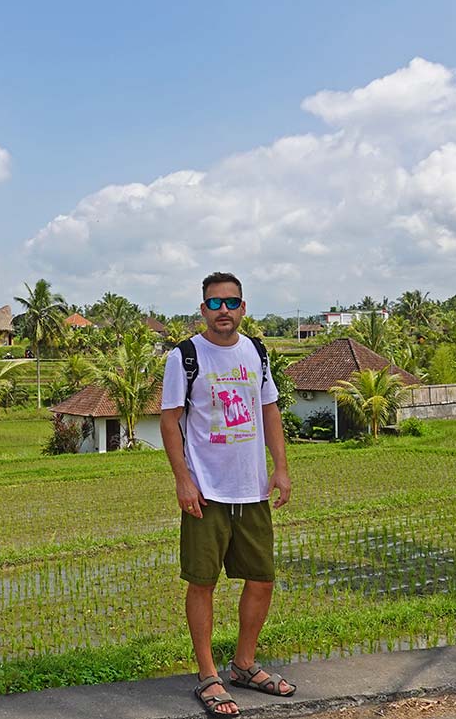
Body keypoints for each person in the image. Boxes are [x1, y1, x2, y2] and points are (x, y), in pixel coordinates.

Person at [160, 271, 293, 716]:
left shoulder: (256, 351)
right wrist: (183, 479)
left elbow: (269, 408)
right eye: (214, 304)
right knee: (203, 582)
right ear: (203, 309)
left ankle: (244, 664)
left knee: (262, 578)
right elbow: (169, 420)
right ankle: (208, 675)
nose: (223, 311)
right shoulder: (185, 357)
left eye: (231, 303)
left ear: (243, 307)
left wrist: (281, 468)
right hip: (207, 490)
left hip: (251, 488)